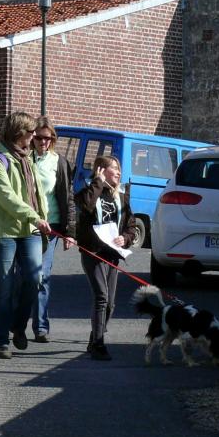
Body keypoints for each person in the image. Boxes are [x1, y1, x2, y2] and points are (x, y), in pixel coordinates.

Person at [0, 111, 51, 358]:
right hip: (1, 231)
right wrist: (35, 217)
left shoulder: (29, 159)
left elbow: (38, 194)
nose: (34, 136)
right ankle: (1, 341)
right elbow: (6, 197)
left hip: (29, 229)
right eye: (31, 132)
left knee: (34, 278)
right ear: (18, 133)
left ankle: (18, 326)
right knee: (5, 285)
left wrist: (45, 219)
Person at [74, 154, 139, 360]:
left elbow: (132, 225)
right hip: (92, 252)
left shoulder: (121, 197)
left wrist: (125, 238)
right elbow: (85, 206)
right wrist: (98, 183)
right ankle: (99, 344)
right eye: (114, 168)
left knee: (110, 303)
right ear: (101, 170)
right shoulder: (90, 191)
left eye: (119, 169)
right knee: (101, 296)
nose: (119, 172)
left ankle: (94, 338)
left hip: (112, 254)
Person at [29, 117, 76, 343]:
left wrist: (70, 232)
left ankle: (40, 326)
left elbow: (68, 197)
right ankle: (16, 321)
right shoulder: (24, 159)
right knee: (25, 276)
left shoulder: (60, 162)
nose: (43, 142)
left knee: (42, 275)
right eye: (38, 137)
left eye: (47, 138)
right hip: (26, 225)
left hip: (52, 227)